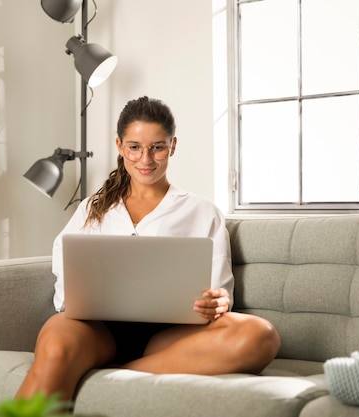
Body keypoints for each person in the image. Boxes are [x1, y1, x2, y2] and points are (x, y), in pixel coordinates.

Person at [15, 96, 281, 401]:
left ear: (173, 146)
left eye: (157, 147)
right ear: (119, 146)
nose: (146, 159)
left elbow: (219, 291)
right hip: (96, 330)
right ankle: (97, 371)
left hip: (172, 337)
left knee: (261, 336)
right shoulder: (92, 207)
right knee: (54, 347)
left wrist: (218, 302)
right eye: (135, 147)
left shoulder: (202, 211)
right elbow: (65, 269)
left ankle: (116, 377)